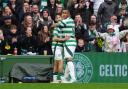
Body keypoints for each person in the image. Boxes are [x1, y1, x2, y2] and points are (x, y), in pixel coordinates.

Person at [55, 9, 77, 83]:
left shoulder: (68, 20)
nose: (63, 14)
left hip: (70, 42)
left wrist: (50, 24)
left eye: (65, 13)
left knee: (69, 59)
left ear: (68, 14)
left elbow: (57, 24)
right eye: (63, 13)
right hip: (69, 42)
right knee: (68, 60)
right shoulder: (69, 20)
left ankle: (73, 78)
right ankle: (65, 77)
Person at [52, 14, 63, 83]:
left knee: (56, 62)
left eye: (60, 17)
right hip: (56, 46)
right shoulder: (56, 28)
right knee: (60, 61)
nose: (59, 18)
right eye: (57, 18)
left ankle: (55, 79)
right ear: (56, 20)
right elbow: (54, 38)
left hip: (60, 46)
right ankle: (62, 78)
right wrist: (64, 39)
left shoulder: (62, 28)